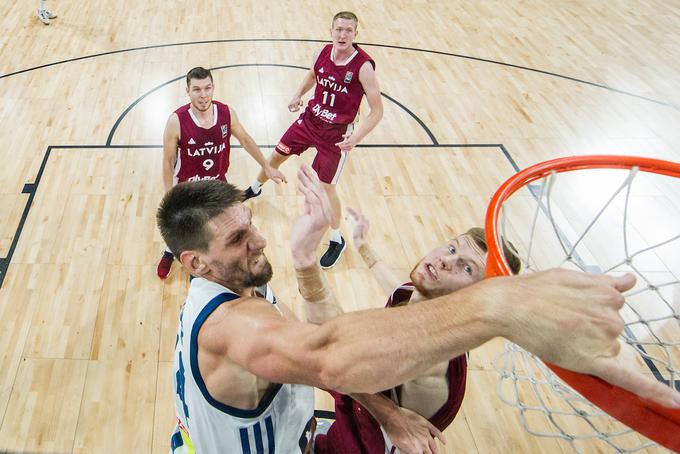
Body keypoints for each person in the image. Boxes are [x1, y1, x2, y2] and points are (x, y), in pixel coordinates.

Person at [157, 166, 680, 453]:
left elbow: (308, 343)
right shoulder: (232, 326)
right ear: (195, 261)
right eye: (240, 236)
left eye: (252, 223)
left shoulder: (236, 283)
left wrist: (302, 257)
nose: (260, 238)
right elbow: (326, 355)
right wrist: (499, 305)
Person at [314, 209, 521, 453]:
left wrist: (305, 264)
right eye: (453, 249)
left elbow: (335, 368)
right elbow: (397, 289)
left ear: (477, 299)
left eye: (467, 269)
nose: (446, 260)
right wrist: (363, 246)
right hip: (355, 426)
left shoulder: (428, 363)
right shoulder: (425, 301)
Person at [243, 11, 384, 269]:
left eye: (348, 31)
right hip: (310, 121)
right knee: (276, 155)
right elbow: (312, 75)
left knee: (325, 189)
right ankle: (255, 186)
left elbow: (377, 111)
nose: (342, 35)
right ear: (331, 31)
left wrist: (356, 137)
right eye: (338, 29)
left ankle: (336, 238)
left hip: (336, 135)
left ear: (356, 34)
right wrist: (297, 94)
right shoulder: (323, 53)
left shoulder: (363, 66)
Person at [156, 66, 286, 279]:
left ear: (213, 88)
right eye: (197, 89)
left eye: (207, 88)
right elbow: (168, 160)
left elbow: (244, 139)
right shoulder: (176, 121)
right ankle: (170, 251)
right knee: (180, 226)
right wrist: (169, 193)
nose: (203, 94)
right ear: (187, 91)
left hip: (217, 184)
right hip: (187, 186)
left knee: (218, 227)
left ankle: (211, 261)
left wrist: (266, 166)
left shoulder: (226, 113)